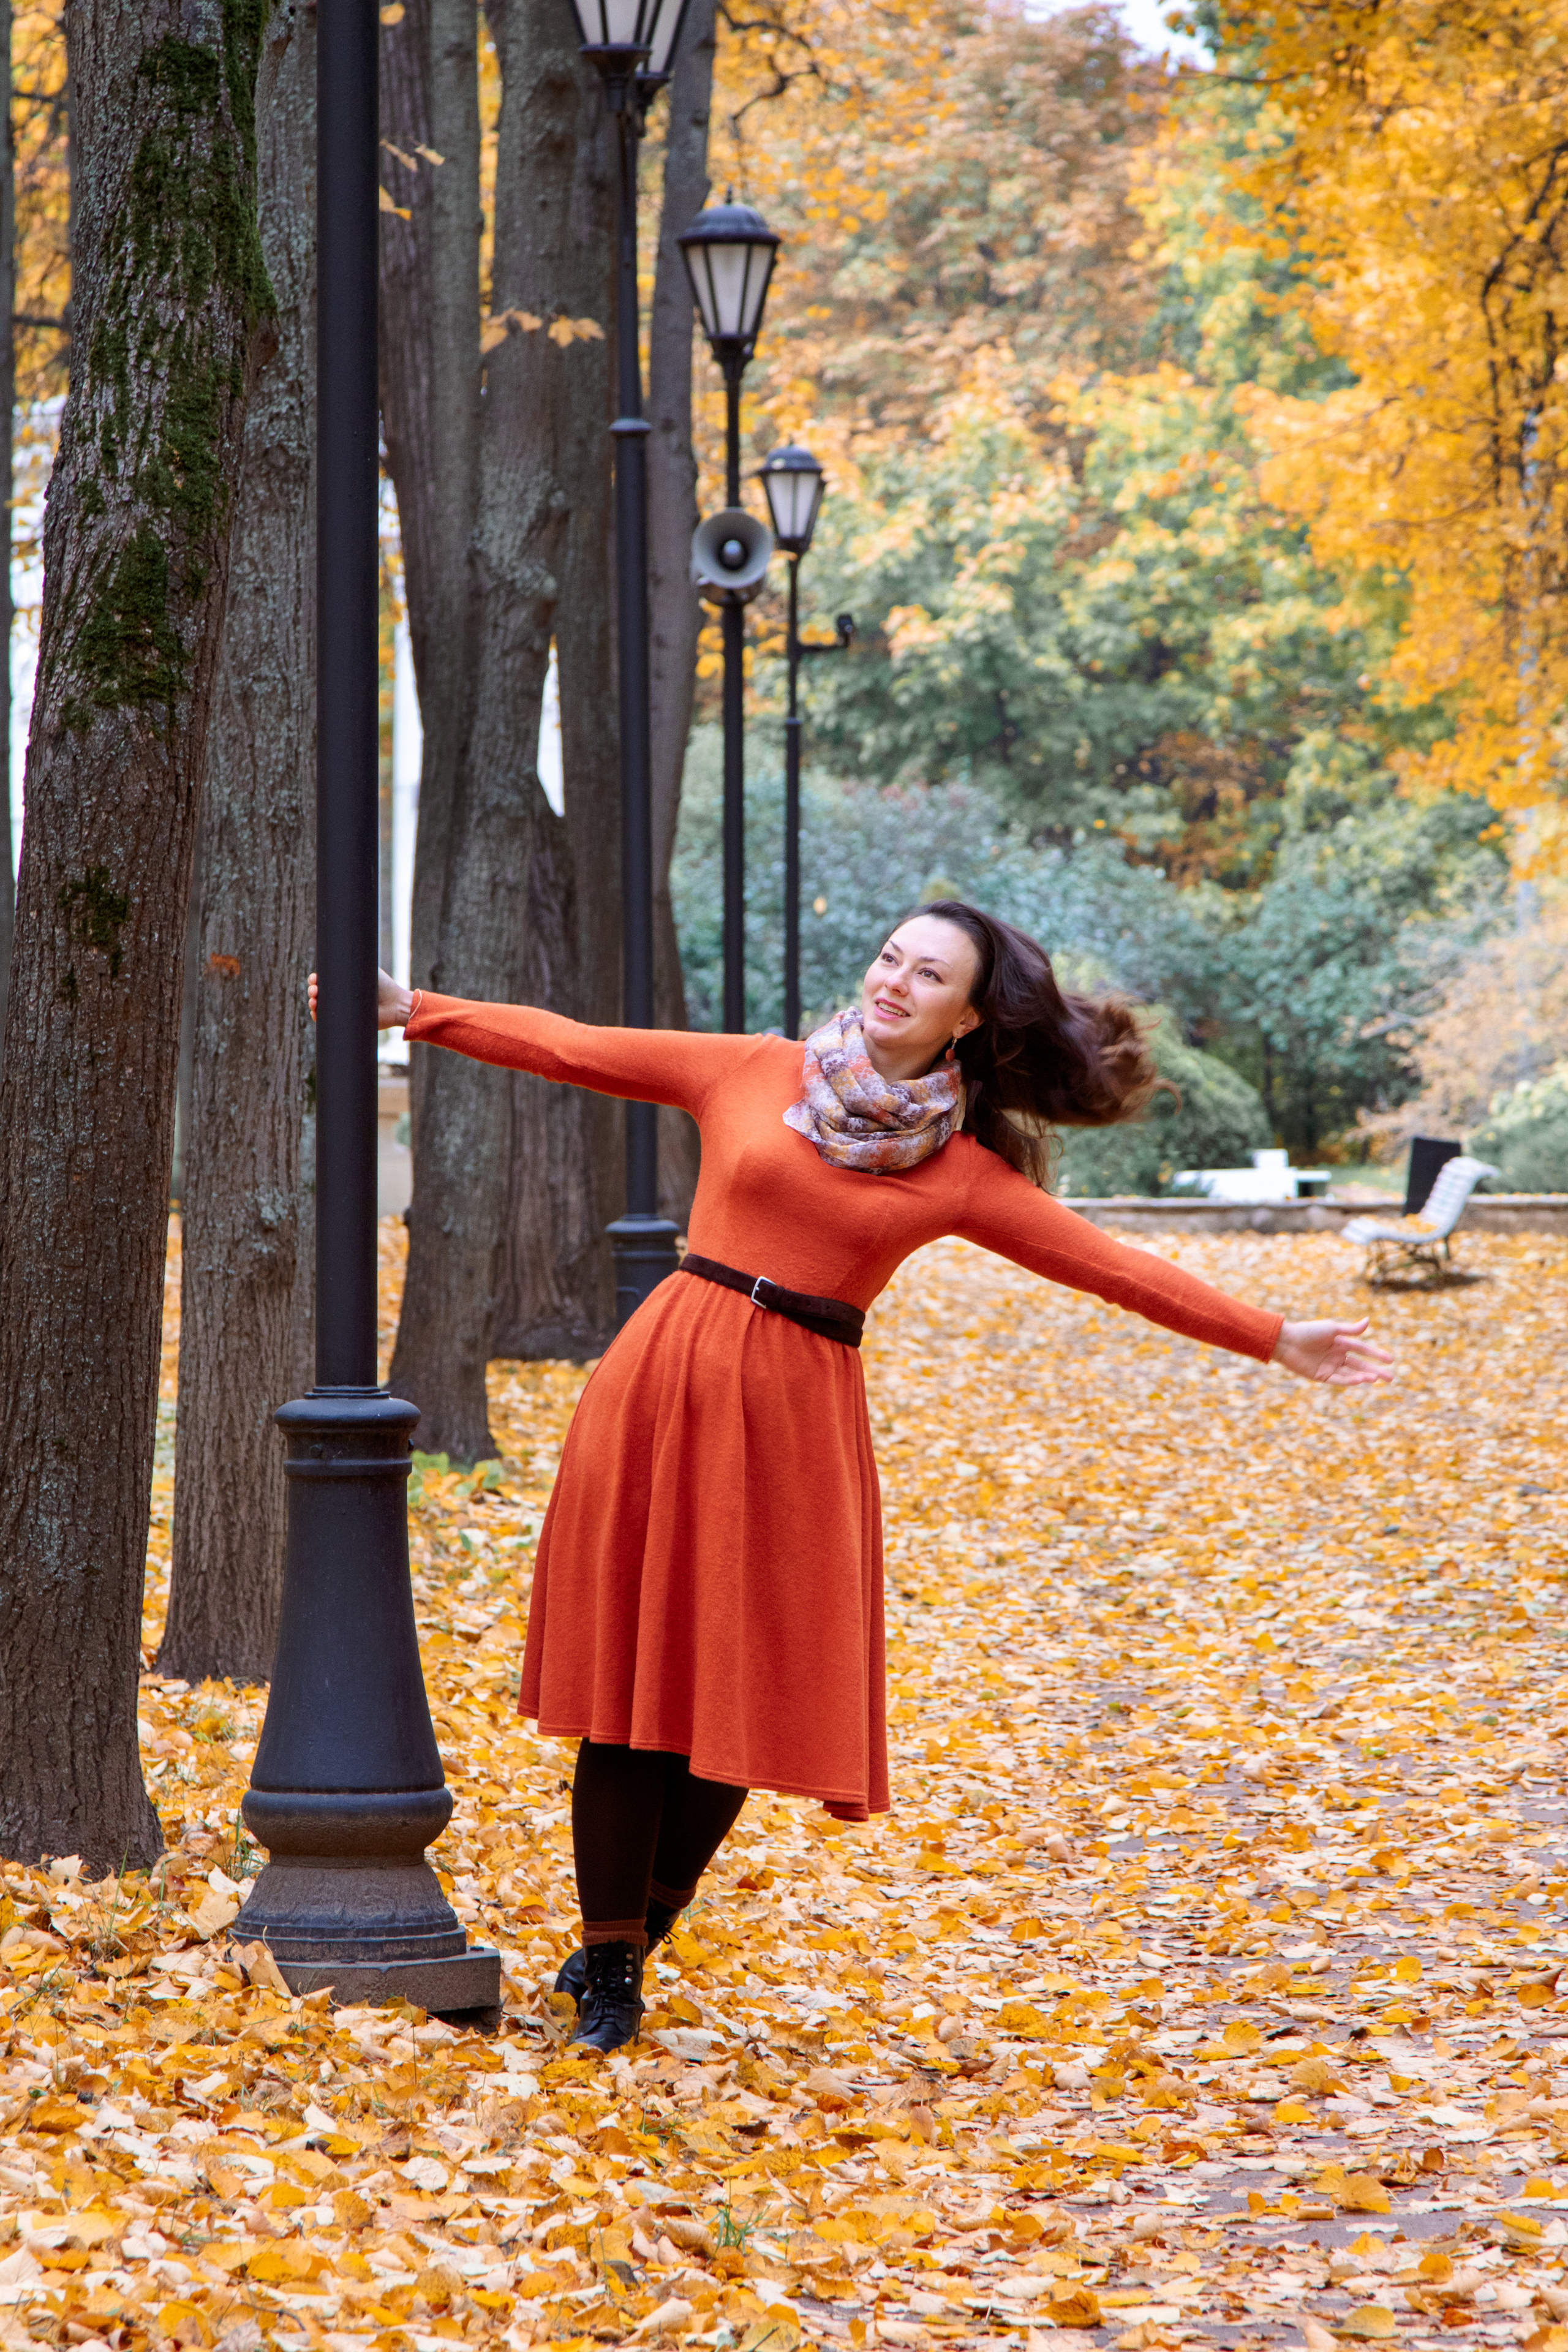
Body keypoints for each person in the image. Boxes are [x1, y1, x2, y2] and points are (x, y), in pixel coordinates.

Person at [333, 901, 1392, 2054]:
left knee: (733, 1702)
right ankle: (610, 1970)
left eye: (927, 974)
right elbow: (574, 1045)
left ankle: (634, 1934)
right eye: (891, 957)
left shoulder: (960, 1171)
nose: (894, 981)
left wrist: (1273, 1333)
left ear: (966, 1020)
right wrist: (416, 1012)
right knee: (634, 1696)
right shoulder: (752, 1071)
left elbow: (1113, 1267)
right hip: (667, 1384)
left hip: (795, 1420)